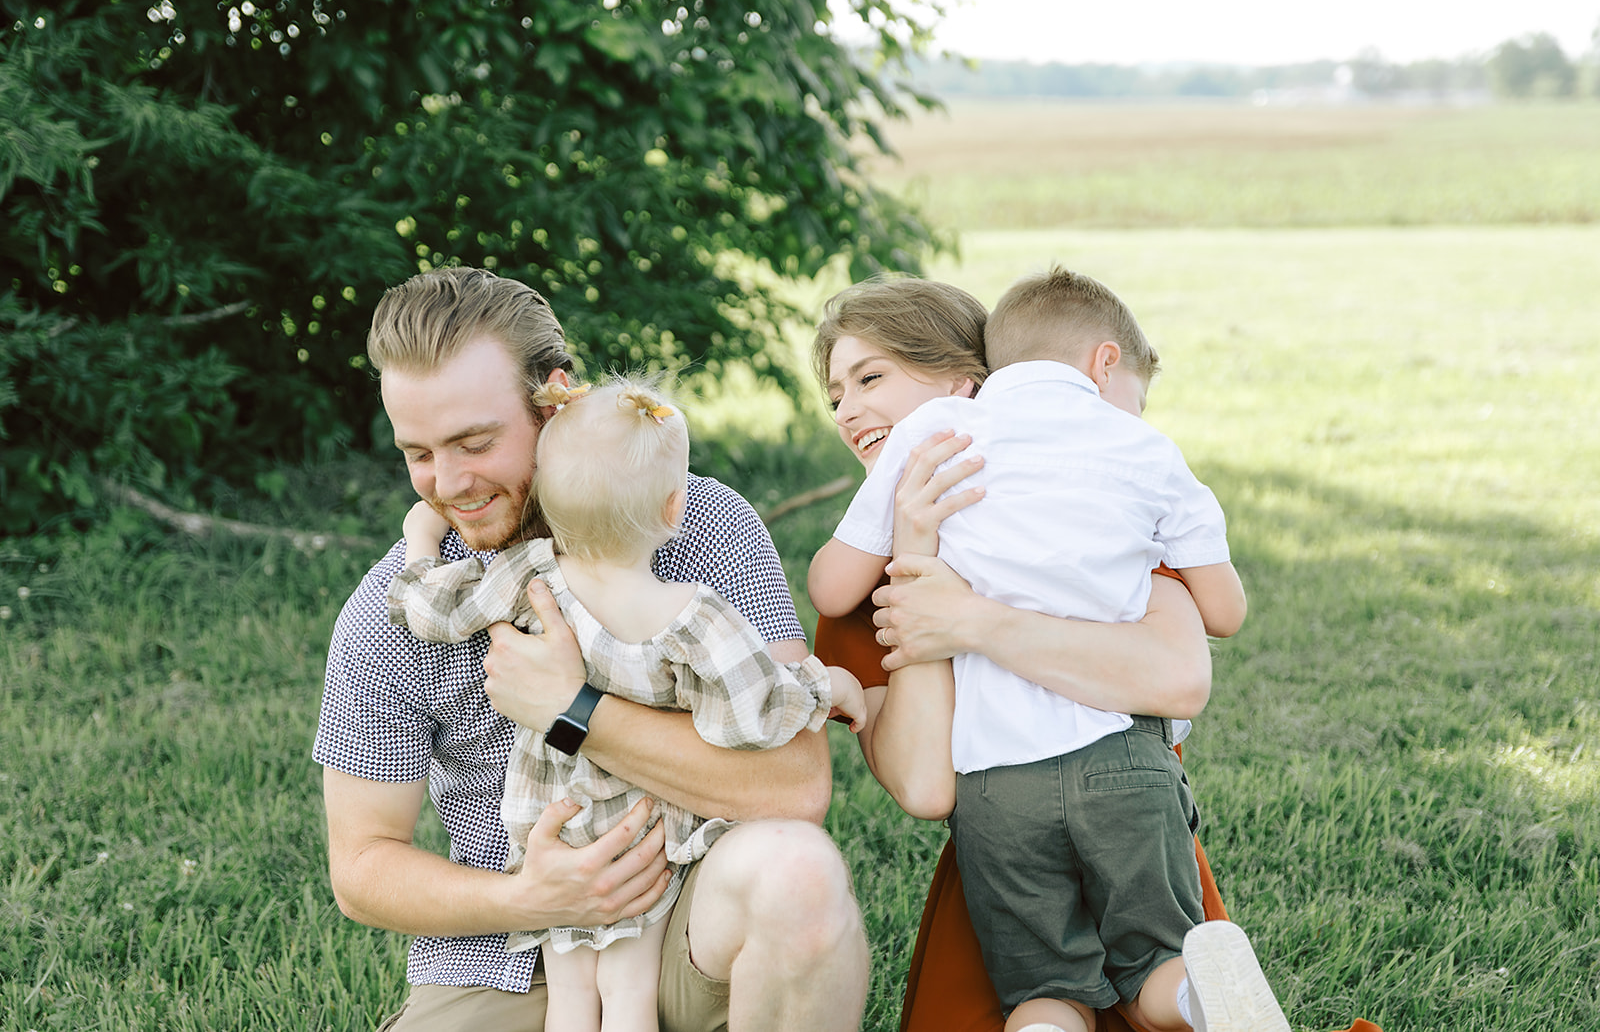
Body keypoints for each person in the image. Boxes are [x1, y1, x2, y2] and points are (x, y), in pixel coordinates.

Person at [807, 274, 1380, 1032]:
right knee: (1148, 982)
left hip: (1045, 832)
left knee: (1054, 1000)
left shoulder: (1096, 514)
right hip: (1014, 857)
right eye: (834, 393)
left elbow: (1178, 677)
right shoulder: (865, 599)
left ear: (961, 384)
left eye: (869, 377)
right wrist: (916, 552)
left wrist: (970, 619)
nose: (847, 411)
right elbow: (924, 787)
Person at [313, 267, 868, 1032]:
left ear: (556, 399)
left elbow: (796, 784)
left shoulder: (702, 527)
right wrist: (536, 896)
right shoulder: (397, 609)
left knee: (798, 874)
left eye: (476, 442)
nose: (450, 483)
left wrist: (575, 710)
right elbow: (363, 867)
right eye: (419, 453)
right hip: (497, 956)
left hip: (682, 924)